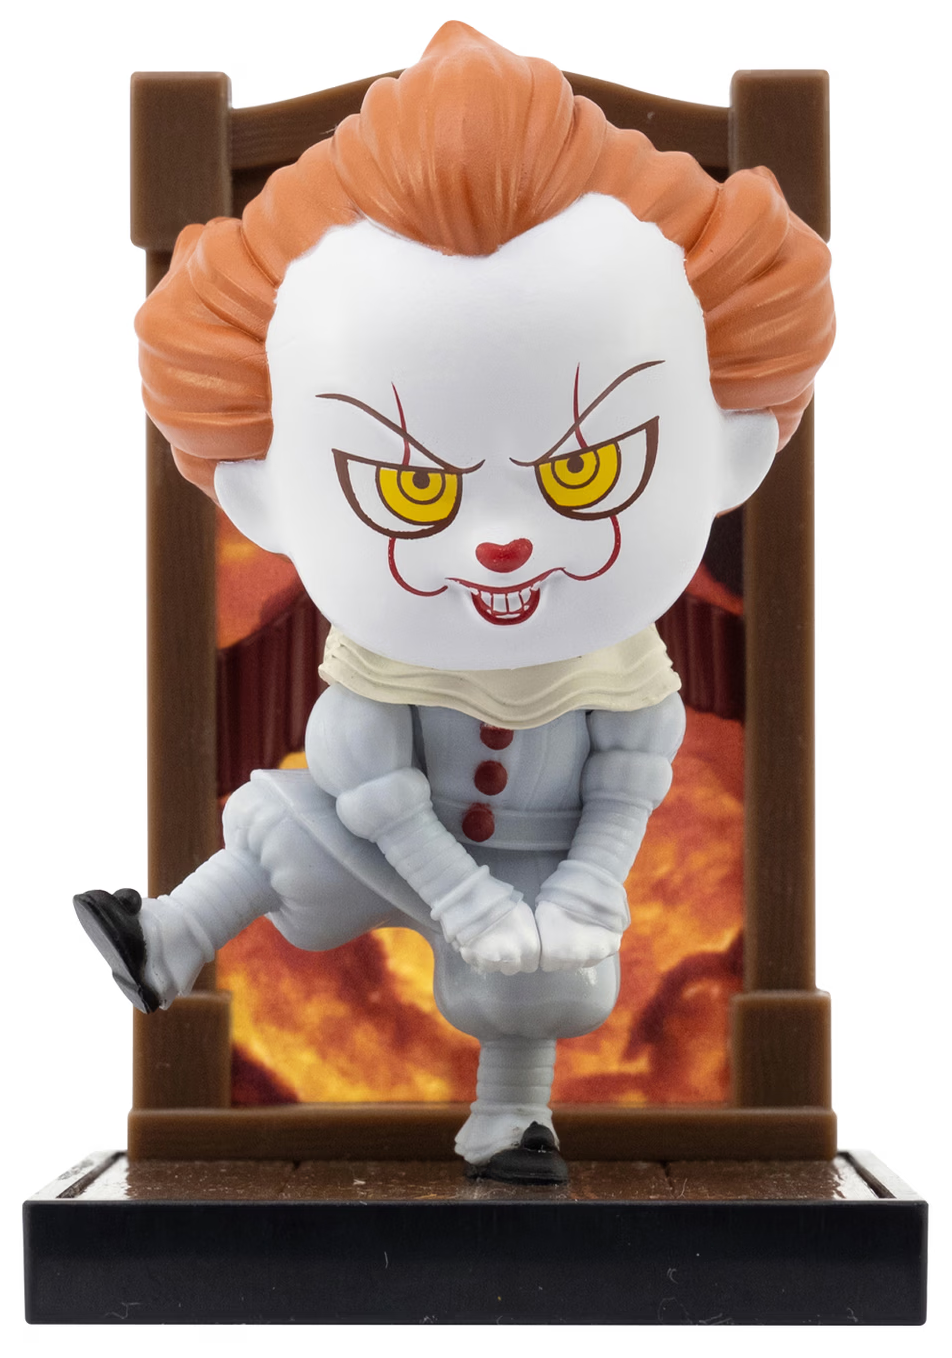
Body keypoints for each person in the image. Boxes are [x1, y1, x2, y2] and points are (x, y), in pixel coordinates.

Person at [76, 21, 834, 1183]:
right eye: (414, 488)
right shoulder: (377, 674)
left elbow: (625, 788)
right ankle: (167, 936)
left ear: (731, 445)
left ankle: (512, 1117)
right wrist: (458, 897)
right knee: (283, 824)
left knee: (537, 983)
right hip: (406, 847)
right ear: (259, 488)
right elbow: (374, 791)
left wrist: (580, 891)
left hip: (541, 872)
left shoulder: (628, 678)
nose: (500, 542)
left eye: (583, 471)